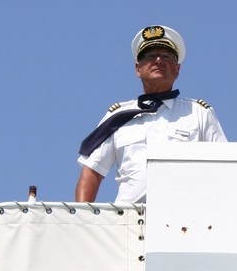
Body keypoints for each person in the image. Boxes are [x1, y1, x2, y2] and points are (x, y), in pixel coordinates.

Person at [75, 25, 227, 203]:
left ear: (177, 70)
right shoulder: (118, 117)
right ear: (138, 69)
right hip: (129, 217)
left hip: (184, 215)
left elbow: (226, 168)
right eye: (150, 56)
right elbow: (92, 171)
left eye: (166, 56)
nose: (158, 61)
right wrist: (82, 217)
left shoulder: (198, 113)